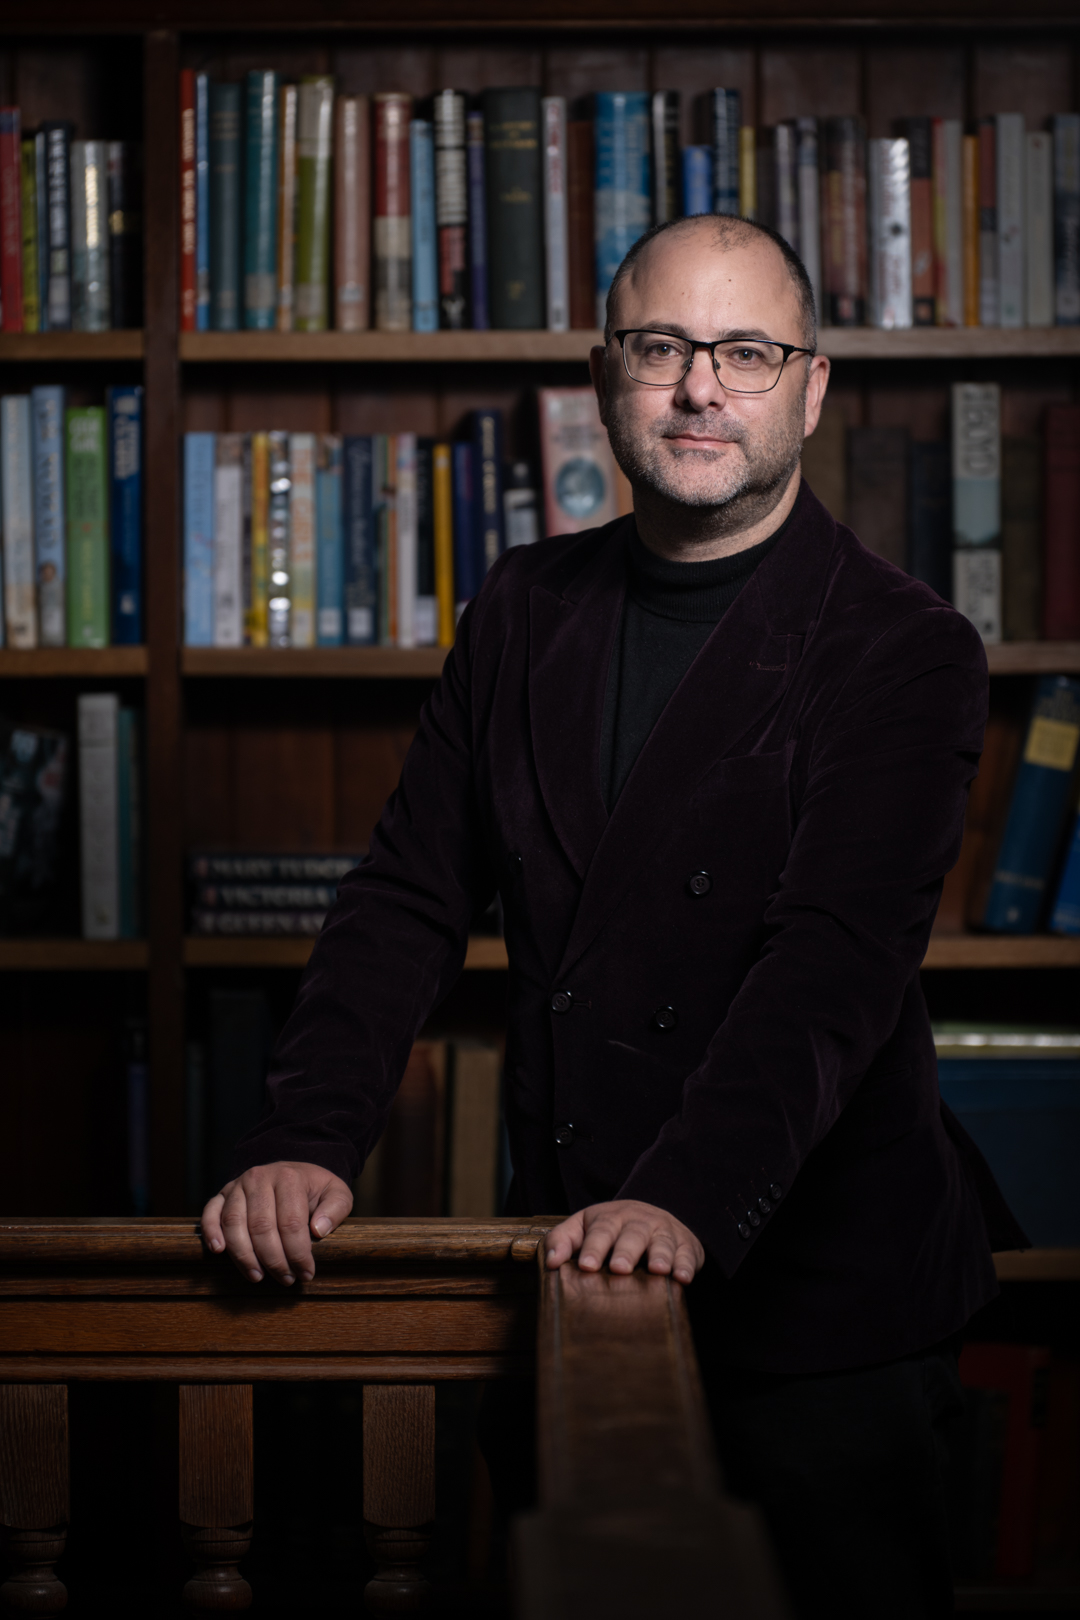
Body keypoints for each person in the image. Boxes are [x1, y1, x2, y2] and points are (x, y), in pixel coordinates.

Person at [203, 213, 1025, 1618]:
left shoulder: (906, 648)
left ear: (811, 389)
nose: (702, 387)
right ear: (604, 376)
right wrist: (304, 1139)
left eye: (747, 352)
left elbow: (830, 969)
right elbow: (406, 894)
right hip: (573, 1260)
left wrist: (681, 1198)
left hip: (823, 1307)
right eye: (664, 347)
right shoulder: (527, 604)